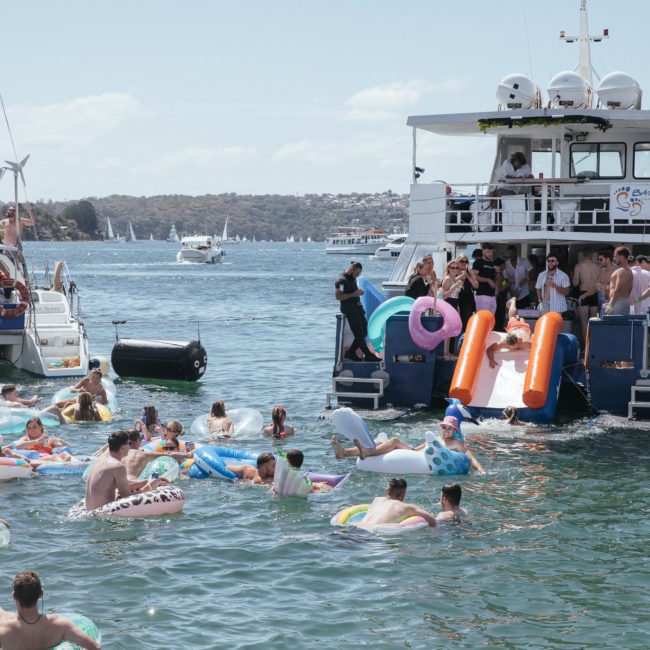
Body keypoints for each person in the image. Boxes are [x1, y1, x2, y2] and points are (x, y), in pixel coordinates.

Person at [331, 415, 485, 473]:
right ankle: (345, 452)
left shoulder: (457, 443)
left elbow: (469, 457)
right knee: (380, 442)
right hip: (416, 453)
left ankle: (355, 453)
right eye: (444, 427)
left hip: (422, 459)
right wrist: (410, 449)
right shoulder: (437, 437)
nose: (445, 430)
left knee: (395, 441)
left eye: (449, 428)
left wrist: (480, 470)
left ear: (454, 430)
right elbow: (419, 448)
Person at [0, 571, 101, 650]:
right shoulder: (60, 625)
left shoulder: (3, 630)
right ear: (41, 593)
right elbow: (95, 647)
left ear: (14, 596)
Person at [85, 431, 168, 511]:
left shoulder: (101, 460)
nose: (130, 447)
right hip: (104, 514)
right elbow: (127, 497)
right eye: (129, 443)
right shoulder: (118, 466)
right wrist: (149, 487)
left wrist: (148, 481)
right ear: (123, 447)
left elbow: (122, 484)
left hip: (90, 511)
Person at [334, 261, 381, 362]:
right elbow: (338, 296)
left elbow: (353, 292)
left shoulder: (352, 278)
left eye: (359, 274)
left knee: (365, 330)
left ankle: (351, 352)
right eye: (357, 273)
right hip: (349, 309)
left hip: (357, 307)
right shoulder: (341, 281)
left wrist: (358, 293)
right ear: (352, 269)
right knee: (358, 332)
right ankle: (368, 355)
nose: (358, 275)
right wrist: (353, 294)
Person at [353, 477, 438, 531]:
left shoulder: (376, 500)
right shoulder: (406, 508)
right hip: (368, 536)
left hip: (355, 528)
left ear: (387, 491)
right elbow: (433, 520)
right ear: (403, 494)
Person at [486, 298, 533, 368]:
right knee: (513, 318)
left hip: (523, 327)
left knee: (513, 317)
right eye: (512, 347)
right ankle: (516, 309)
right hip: (517, 327)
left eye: (515, 346)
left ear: (518, 341)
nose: (514, 349)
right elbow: (489, 349)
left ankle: (515, 305)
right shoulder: (504, 343)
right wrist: (491, 360)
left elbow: (537, 347)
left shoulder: (524, 343)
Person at [572, 247, 600, 345]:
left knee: (584, 323)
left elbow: (575, 283)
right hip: (594, 294)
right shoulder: (597, 267)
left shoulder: (579, 266)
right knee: (593, 322)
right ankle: (593, 345)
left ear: (583, 255)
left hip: (583, 293)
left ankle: (586, 346)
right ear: (592, 255)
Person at [604, 246, 633, 315]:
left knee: (613, 324)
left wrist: (611, 305)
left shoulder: (621, 271)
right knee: (621, 324)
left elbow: (618, 289)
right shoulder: (629, 271)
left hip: (617, 302)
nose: (614, 258)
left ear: (622, 257)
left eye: (616, 256)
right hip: (623, 301)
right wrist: (607, 286)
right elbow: (629, 288)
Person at [503, 245, 533, 309]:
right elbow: (505, 280)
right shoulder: (506, 264)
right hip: (512, 294)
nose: (511, 255)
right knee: (513, 315)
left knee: (524, 314)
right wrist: (511, 291)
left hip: (524, 293)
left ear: (516, 252)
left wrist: (527, 278)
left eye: (513, 253)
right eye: (509, 253)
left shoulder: (524, 261)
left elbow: (532, 273)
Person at [456, 254, 478, 332]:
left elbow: (476, 285)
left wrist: (467, 276)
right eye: (462, 261)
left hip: (468, 299)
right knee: (458, 322)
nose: (464, 263)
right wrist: (460, 276)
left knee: (467, 322)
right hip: (457, 299)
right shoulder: (453, 270)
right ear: (457, 261)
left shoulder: (469, 271)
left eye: (466, 261)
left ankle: (464, 339)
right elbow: (448, 281)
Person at [472, 243, 497, 313]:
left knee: (491, 319)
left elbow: (494, 278)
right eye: (488, 252)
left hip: (492, 295)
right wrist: (487, 280)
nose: (490, 254)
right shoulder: (478, 262)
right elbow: (474, 277)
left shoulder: (492, 263)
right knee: (483, 318)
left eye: (491, 252)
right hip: (482, 294)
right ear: (483, 251)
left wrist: (498, 272)